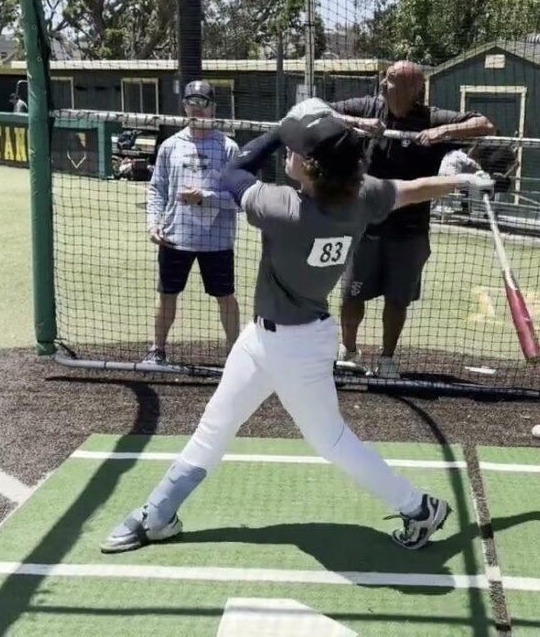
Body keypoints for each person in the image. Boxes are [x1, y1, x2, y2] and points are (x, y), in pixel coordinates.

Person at [100, 99, 495, 554]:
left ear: (309, 166)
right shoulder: (361, 194)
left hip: (299, 348)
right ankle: (159, 513)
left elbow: (233, 173)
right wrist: (464, 179)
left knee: (331, 442)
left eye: (294, 150)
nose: (287, 153)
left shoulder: (283, 208)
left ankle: (420, 507)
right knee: (216, 425)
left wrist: (278, 128)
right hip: (261, 341)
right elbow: (413, 188)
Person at [329, 60, 496, 378]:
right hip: (363, 225)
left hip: (410, 229)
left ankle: (388, 360)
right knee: (352, 293)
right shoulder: (367, 107)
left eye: (404, 84)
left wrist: (443, 131)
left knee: (397, 299)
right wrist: (355, 123)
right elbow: (312, 111)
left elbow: (485, 125)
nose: (394, 88)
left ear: (417, 89)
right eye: (392, 82)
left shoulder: (431, 116)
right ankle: (348, 352)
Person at [143, 81, 241, 364]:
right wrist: (153, 223)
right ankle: (157, 350)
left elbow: (240, 198)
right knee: (167, 295)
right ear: (184, 105)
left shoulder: (228, 148)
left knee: (226, 297)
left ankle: (236, 355)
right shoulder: (170, 146)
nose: (197, 109)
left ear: (214, 107)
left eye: (204, 103)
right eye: (192, 103)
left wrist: (205, 197)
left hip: (218, 241)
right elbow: (156, 188)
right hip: (175, 238)